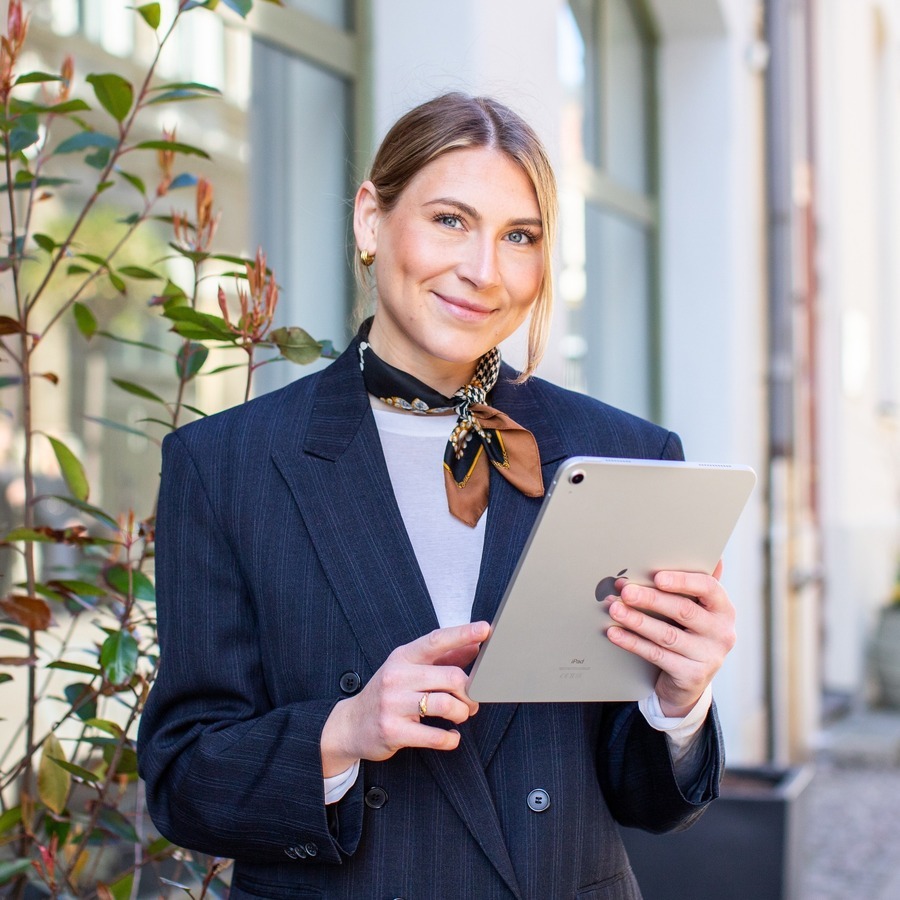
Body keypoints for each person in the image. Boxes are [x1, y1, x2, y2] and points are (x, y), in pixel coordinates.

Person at [138, 92, 736, 900]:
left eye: (518, 236)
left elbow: (650, 803)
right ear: (370, 222)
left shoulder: (627, 456)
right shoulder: (227, 465)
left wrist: (679, 701)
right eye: (451, 220)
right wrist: (343, 731)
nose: (483, 270)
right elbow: (183, 779)